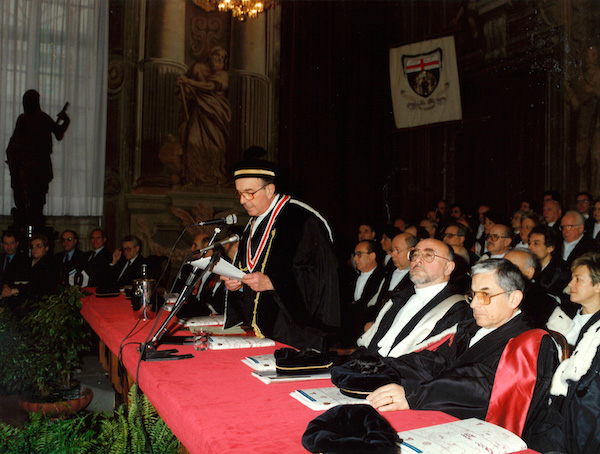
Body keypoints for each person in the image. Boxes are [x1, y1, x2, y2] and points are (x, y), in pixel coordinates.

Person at [366, 259, 557, 444]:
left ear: (514, 298)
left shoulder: (532, 343)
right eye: (473, 295)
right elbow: (435, 361)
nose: (473, 304)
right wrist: (381, 367)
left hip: (488, 435)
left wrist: (413, 395)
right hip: (445, 416)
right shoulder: (471, 328)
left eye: (485, 295)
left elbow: (480, 389)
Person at [221, 160, 340, 350]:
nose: (243, 200)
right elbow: (251, 268)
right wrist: (238, 285)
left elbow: (322, 278)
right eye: (239, 194)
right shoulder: (253, 223)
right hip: (262, 331)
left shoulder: (301, 220)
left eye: (249, 193)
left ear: (269, 190)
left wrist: (272, 283)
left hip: (298, 334)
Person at [356, 238, 471, 358]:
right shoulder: (398, 299)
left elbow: (431, 363)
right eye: (415, 254)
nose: (418, 260)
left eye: (428, 255)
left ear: (448, 267)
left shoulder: (457, 309)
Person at [534, 252, 600, 453]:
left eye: (578, 279)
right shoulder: (562, 313)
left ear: (598, 286)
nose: (569, 284)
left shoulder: (596, 334)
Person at [5, 90, 70, 230]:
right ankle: (28, 222)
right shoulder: (30, 119)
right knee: (28, 200)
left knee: (36, 200)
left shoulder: (39, 118)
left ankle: (33, 223)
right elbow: (13, 145)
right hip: (28, 168)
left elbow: (58, 134)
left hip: (38, 167)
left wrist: (66, 120)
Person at [177, 47, 230, 186]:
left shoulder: (223, 75)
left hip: (216, 114)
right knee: (193, 142)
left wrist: (189, 82)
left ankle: (214, 176)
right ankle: (193, 177)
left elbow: (210, 86)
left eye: (223, 58)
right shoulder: (198, 68)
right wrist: (183, 86)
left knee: (216, 147)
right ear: (209, 55)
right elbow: (188, 93)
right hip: (199, 112)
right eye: (217, 55)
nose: (220, 59)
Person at [1, 233, 57, 301]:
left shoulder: (50, 264)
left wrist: (14, 290)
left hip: (41, 302)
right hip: (22, 300)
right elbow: (11, 276)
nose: (35, 249)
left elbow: (38, 284)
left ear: (46, 248)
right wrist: (6, 286)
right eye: (32, 246)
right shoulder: (26, 261)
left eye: (38, 246)